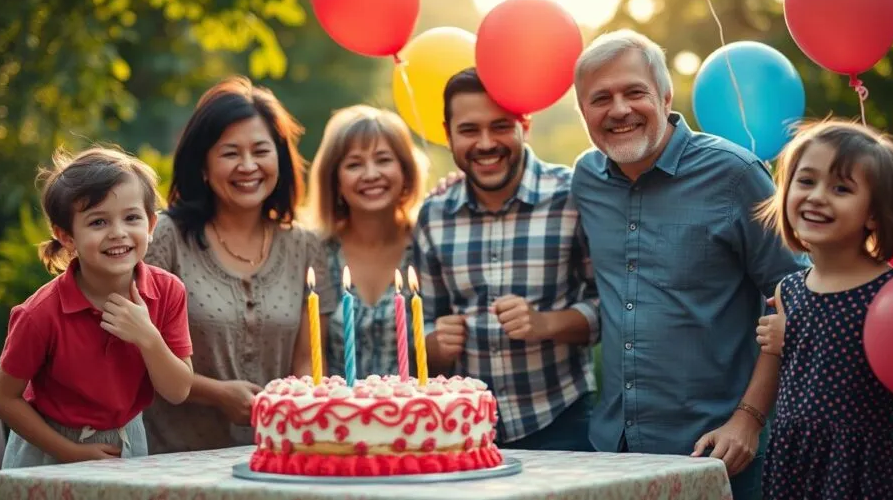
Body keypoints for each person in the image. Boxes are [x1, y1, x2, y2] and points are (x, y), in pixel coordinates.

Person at [570, 29, 807, 499]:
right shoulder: (585, 179)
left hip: (718, 453)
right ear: (583, 113)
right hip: (611, 455)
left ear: (664, 95)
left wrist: (749, 419)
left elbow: (796, 302)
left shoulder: (736, 175)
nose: (618, 109)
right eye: (601, 98)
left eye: (633, 92)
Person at [752, 119, 893, 500]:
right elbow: (779, 372)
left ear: (873, 214)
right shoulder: (788, 289)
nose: (817, 196)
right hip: (791, 462)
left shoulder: (892, 295)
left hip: (855, 467)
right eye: (805, 181)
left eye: (841, 188)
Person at [142, 76, 336, 453]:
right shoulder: (166, 238)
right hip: (173, 459)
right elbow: (136, 352)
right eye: (230, 153)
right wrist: (216, 394)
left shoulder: (305, 246)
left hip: (274, 457)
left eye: (260, 151)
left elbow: (309, 361)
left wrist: (297, 402)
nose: (248, 166)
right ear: (203, 165)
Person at [415, 67, 600, 452]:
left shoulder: (572, 198)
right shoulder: (433, 215)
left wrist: (544, 323)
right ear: (447, 133)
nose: (485, 143)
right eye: (469, 130)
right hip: (463, 430)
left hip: (563, 420)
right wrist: (433, 342)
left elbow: (614, 307)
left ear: (525, 125)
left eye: (500, 126)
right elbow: (422, 323)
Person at [0, 147, 194, 467]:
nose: (118, 233)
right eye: (98, 221)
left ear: (151, 225)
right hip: (49, 451)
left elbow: (179, 390)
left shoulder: (168, 292)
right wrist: (69, 452)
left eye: (131, 218)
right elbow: (4, 399)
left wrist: (148, 337)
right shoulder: (39, 314)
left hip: (126, 443)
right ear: (67, 236)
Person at [306, 105, 428, 379]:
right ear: (334, 180)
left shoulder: (426, 243)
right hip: (336, 416)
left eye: (383, 159)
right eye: (354, 164)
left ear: (406, 170)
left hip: (418, 418)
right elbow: (310, 359)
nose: (371, 174)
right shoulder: (315, 251)